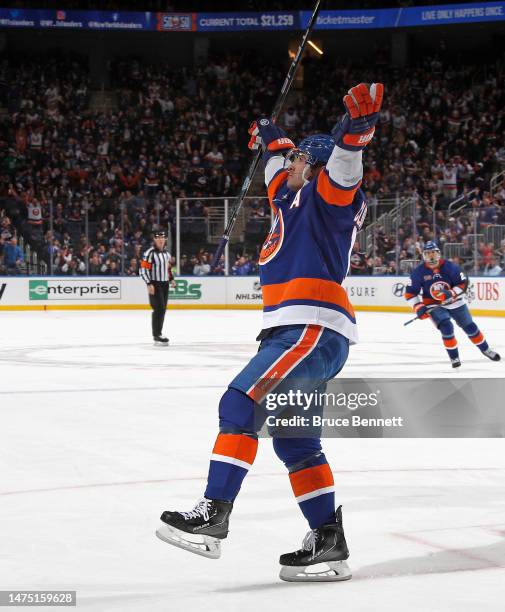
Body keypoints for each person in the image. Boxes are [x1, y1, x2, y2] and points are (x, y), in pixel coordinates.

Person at [156, 83, 384, 582]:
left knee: (238, 405)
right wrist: (271, 137)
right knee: (295, 441)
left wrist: (355, 130)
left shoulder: (326, 200)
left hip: (310, 327)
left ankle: (214, 514)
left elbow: (344, 168)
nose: (294, 163)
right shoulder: (290, 197)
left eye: (303, 157)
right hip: (304, 333)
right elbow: (277, 172)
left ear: (315, 167)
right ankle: (328, 540)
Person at [405, 242, 501, 367]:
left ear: (438, 253)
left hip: (456, 302)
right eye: (428, 254)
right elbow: (410, 293)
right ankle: (454, 358)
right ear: (423, 256)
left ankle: (485, 349)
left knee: (470, 327)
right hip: (433, 305)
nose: (431, 257)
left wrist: (451, 293)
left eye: (433, 253)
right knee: (446, 328)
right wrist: (418, 307)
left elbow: (463, 284)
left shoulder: (450, 267)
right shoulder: (418, 272)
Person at [139, 229, 174, 346]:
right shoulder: (150, 253)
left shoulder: (167, 254)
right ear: (154, 239)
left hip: (164, 284)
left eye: (162, 237)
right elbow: (143, 269)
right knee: (158, 308)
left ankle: (159, 333)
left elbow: (168, 269)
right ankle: (157, 334)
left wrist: (171, 279)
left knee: (163, 309)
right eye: (158, 238)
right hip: (155, 283)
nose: (160, 240)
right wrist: (149, 283)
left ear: (165, 239)